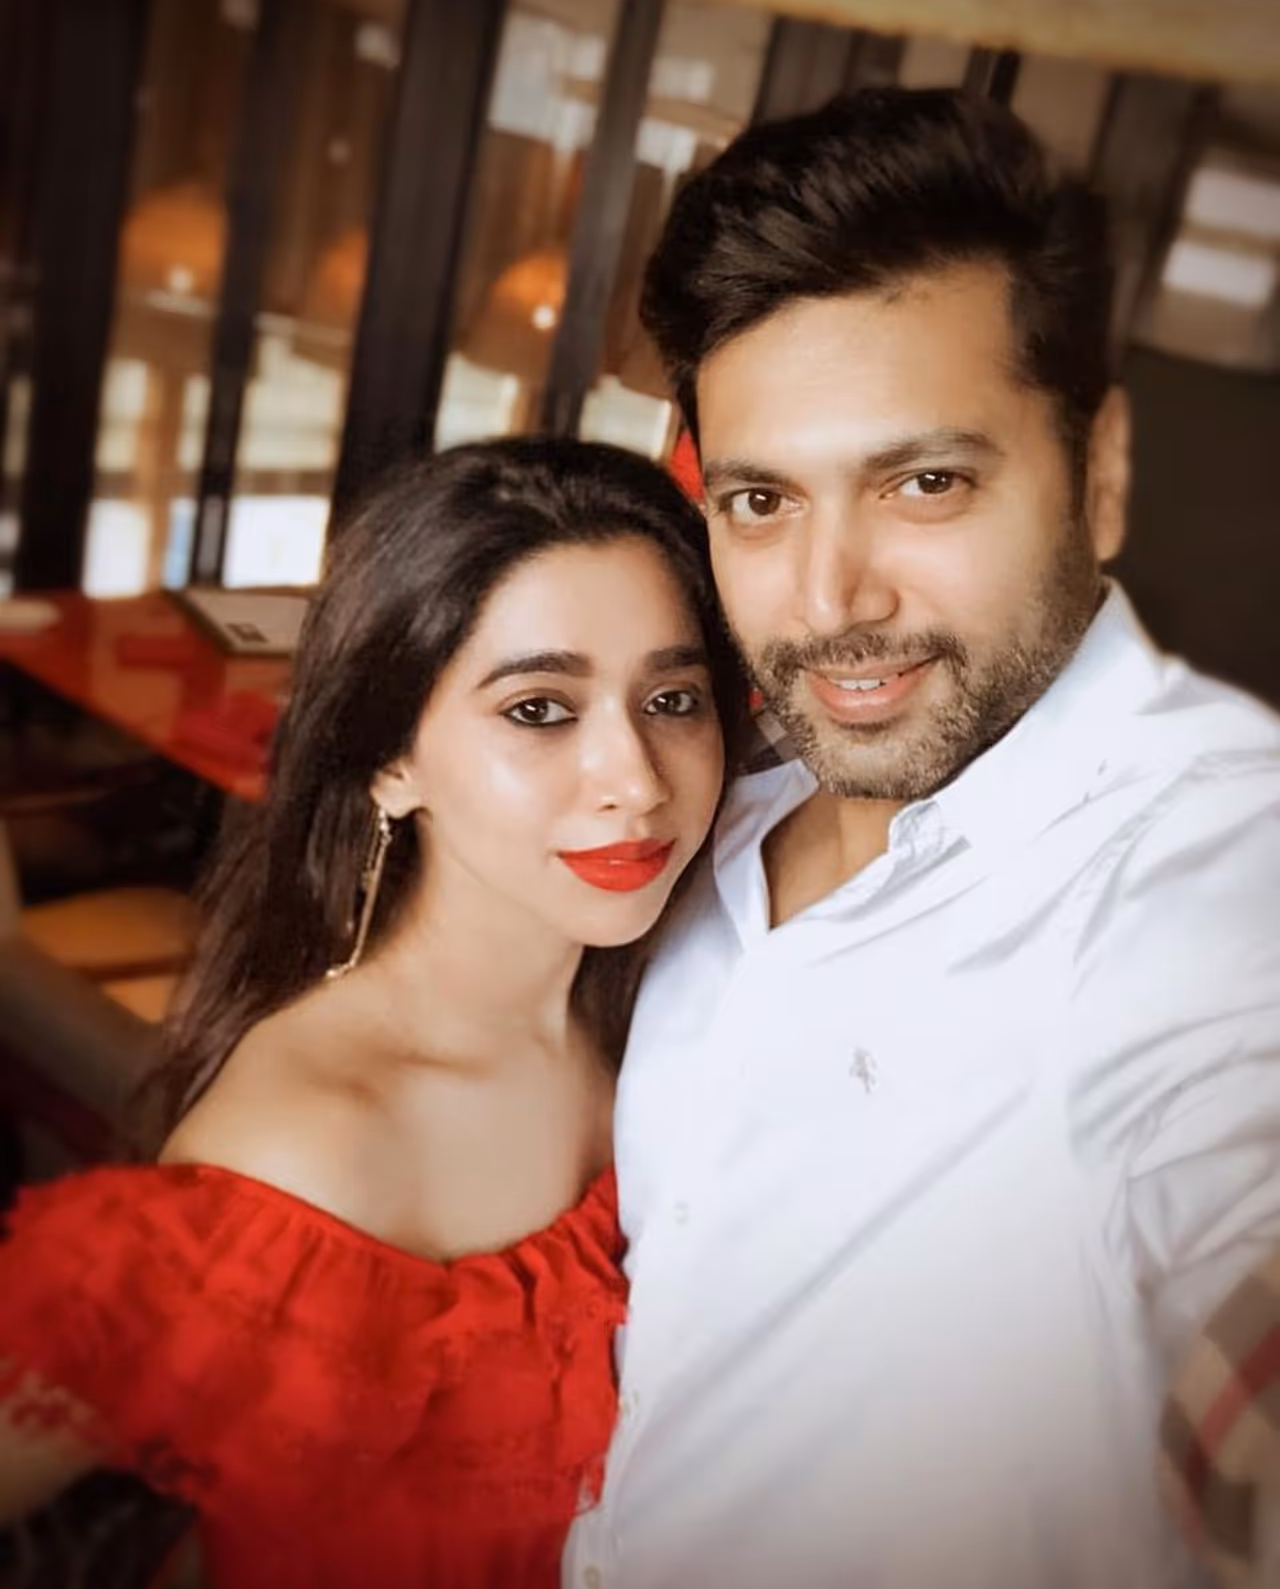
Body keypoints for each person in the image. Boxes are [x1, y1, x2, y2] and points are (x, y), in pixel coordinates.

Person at [563, 88, 1280, 1589]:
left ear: (1099, 474)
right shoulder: (711, 822)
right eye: (761, 499)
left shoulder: (1207, 866)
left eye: (924, 482)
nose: (831, 598)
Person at [0, 436, 743, 1589]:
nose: (636, 777)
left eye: (671, 698)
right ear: (391, 761)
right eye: (539, 707)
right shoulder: (305, 1155)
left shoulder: (672, 1008)